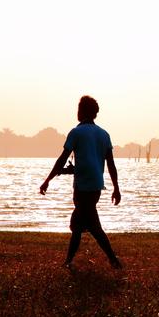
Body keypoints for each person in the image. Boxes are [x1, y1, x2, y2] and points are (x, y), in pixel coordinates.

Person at [40, 95, 122, 269]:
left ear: (82, 111)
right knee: (84, 224)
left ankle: (108, 260)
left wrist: (47, 180)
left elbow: (62, 159)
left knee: (84, 225)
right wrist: (116, 188)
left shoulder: (76, 133)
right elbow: (109, 164)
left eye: (78, 109)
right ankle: (72, 262)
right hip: (96, 187)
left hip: (83, 186)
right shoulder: (104, 134)